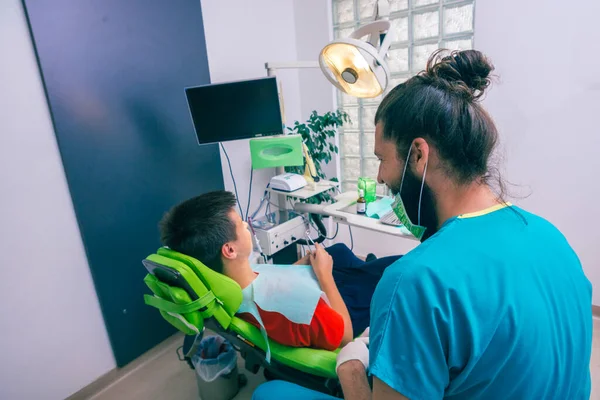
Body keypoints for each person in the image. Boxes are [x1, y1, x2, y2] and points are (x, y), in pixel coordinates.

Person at [252, 49, 593, 399]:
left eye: (382, 159)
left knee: (270, 393)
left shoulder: (415, 281)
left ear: (418, 154)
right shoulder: (552, 237)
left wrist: (351, 365)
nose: (381, 176)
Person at [159, 190, 400, 351]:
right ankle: (368, 269)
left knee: (337, 251)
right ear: (229, 250)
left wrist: (305, 264)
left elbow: (268, 278)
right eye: (241, 223)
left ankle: (364, 266)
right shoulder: (299, 308)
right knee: (396, 271)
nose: (247, 224)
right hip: (337, 306)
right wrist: (324, 275)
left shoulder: (231, 281)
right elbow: (345, 335)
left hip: (311, 288)